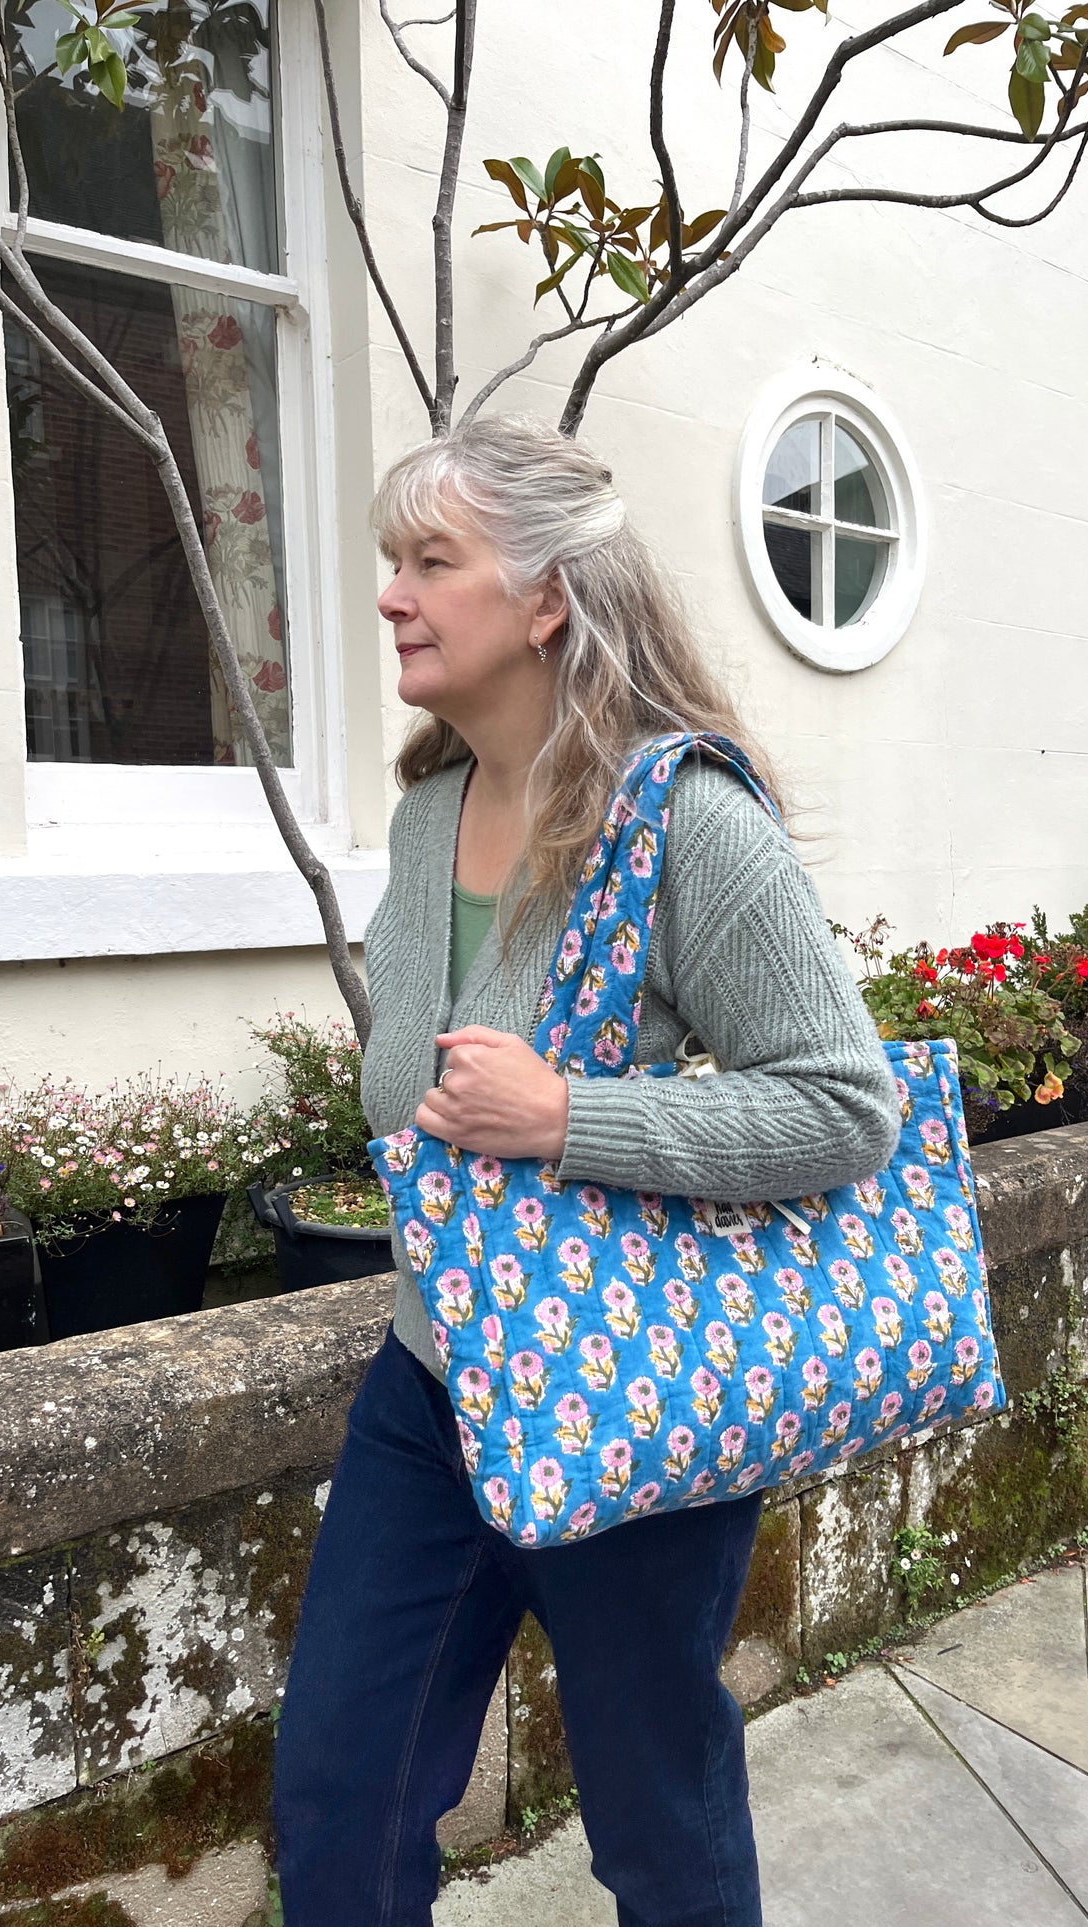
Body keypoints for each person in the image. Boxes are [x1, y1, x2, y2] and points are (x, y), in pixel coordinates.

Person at [272, 417, 901, 1926]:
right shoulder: (429, 818)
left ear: (546, 598)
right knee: (338, 1794)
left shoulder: (684, 822)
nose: (391, 596)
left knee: (653, 1817)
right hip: (430, 1386)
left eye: (433, 562)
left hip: (625, 1397)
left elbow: (842, 1109)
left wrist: (573, 1119)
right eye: (390, 562)